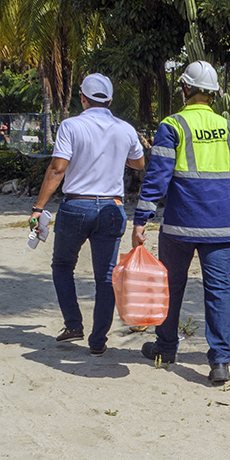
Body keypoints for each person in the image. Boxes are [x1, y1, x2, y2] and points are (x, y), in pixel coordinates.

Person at [131, 61, 230, 385]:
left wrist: (142, 218)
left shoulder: (172, 125)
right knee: (218, 290)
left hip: (181, 224)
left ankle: (166, 347)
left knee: (172, 286)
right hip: (220, 225)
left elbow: (157, 177)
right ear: (214, 93)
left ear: (185, 88)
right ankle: (219, 362)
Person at [30, 73, 144, 356]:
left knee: (62, 266)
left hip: (76, 206)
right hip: (112, 208)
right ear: (110, 100)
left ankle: (73, 324)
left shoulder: (71, 126)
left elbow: (57, 169)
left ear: (82, 98)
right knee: (105, 277)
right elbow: (139, 163)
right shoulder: (125, 129)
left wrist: (38, 207)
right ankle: (98, 340)